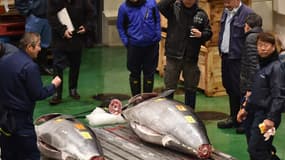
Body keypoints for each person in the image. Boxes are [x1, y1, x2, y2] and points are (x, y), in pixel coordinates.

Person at [0, 32, 61, 160]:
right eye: (38, 45)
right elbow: (38, 94)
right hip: (21, 121)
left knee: (8, 154)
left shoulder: (4, 60)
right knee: (30, 155)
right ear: (29, 47)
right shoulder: (30, 67)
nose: (40, 49)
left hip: (4, 120)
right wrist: (53, 85)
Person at [237, 32, 285, 160]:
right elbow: (253, 91)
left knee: (256, 149)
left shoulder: (276, 68)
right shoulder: (260, 66)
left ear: (274, 47)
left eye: (266, 45)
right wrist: (245, 108)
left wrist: (271, 118)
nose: (262, 48)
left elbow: (279, 96)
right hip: (253, 112)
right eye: (259, 45)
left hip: (265, 115)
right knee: (257, 148)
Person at [158, 0, 212, 109]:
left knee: (191, 88)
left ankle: (190, 114)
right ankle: (168, 114)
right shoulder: (174, 9)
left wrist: (201, 34)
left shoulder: (201, 14)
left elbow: (209, 33)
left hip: (191, 58)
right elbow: (160, 6)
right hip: (173, 56)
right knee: (169, 87)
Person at [47, 0, 94, 105]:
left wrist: (86, 26)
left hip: (76, 38)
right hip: (59, 39)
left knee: (75, 65)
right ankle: (57, 93)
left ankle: (73, 89)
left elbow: (91, 12)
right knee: (58, 66)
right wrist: (62, 30)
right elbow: (51, 16)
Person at [217, 0, 253, 131]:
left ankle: (244, 120)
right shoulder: (226, 12)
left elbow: (253, 38)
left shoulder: (248, 14)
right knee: (230, 87)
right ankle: (233, 117)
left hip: (239, 59)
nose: (225, 1)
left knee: (240, 89)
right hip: (226, 57)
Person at [117, 0, 161, 96]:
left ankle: (147, 101)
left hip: (151, 45)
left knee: (149, 73)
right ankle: (136, 100)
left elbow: (157, 19)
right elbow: (120, 26)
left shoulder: (151, 4)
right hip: (134, 46)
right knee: (134, 73)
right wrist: (126, 41)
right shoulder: (123, 8)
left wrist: (157, 35)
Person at [238, 12, 263, 134]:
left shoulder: (250, 38)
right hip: (255, 83)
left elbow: (253, 65)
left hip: (249, 82)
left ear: (248, 26)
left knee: (249, 112)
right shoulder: (261, 35)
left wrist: (249, 87)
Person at [15, 0, 54, 75]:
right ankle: (24, 67)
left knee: (45, 44)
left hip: (48, 17)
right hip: (34, 17)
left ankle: (43, 67)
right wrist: (27, 12)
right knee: (29, 43)